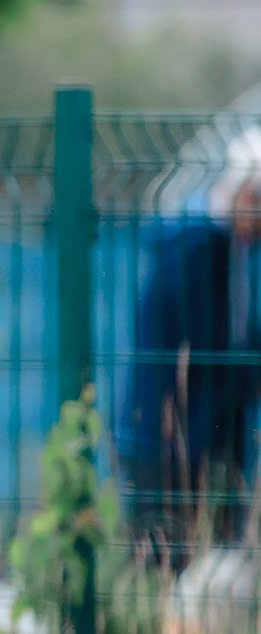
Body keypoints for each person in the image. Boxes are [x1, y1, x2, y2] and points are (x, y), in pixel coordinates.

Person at [115, 141, 261, 568]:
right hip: (172, 437)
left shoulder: (228, 248)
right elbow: (211, 348)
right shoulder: (195, 248)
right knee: (166, 561)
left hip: (198, 434)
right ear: (242, 194)